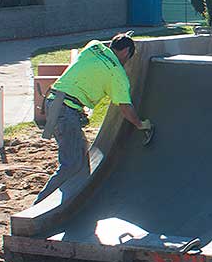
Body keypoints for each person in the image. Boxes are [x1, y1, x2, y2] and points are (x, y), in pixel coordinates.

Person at [35, 33, 153, 203]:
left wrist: (121, 38)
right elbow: (125, 108)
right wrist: (140, 124)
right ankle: (38, 207)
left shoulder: (94, 46)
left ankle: (69, 201)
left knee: (82, 159)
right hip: (65, 111)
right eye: (129, 57)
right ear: (126, 52)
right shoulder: (117, 74)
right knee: (73, 165)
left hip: (53, 101)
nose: (126, 62)